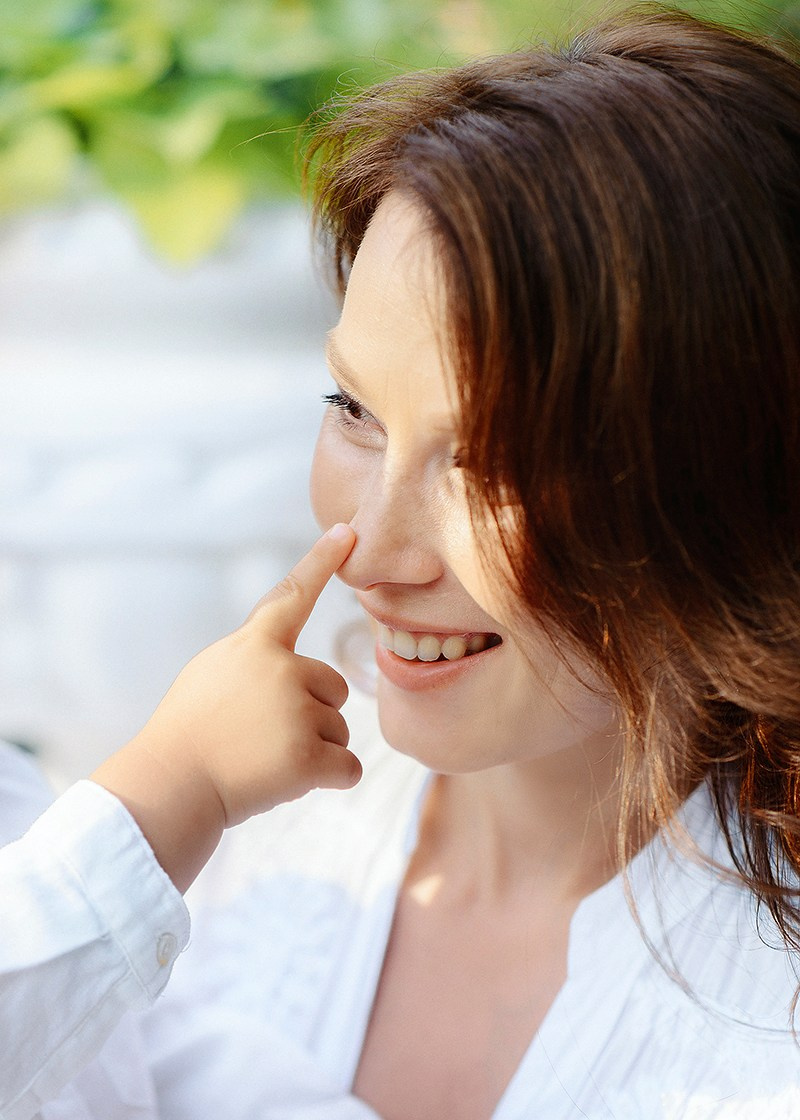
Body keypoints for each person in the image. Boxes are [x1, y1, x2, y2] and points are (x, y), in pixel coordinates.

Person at [2, 6, 800, 1118]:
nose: (368, 554)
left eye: (491, 460)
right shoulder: (257, 806)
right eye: (354, 408)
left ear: (720, 475)